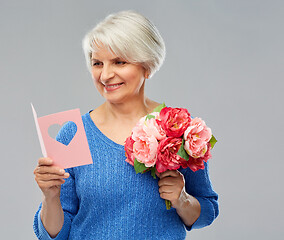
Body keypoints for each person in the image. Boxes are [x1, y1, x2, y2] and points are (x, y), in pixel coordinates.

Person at [33, 10, 219, 239]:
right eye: (97, 63)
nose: (105, 75)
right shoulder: (74, 132)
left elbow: (207, 212)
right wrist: (50, 197)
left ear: (147, 66)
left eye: (119, 62)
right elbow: (54, 235)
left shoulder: (180, 129)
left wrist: (182, 200)